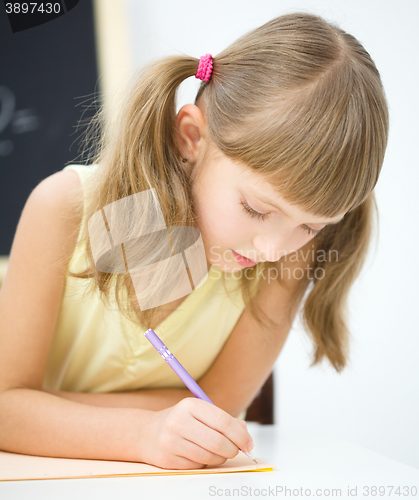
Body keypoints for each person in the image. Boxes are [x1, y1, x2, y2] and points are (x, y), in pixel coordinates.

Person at [0, 12, 389, 470]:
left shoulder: (289, 258)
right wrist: (142, 433)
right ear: (192, 138)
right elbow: (6, 408)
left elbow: (218, 408)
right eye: (257, 209)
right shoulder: (66, 209)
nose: (272, 250)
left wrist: (46, 410)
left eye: (311, 225)